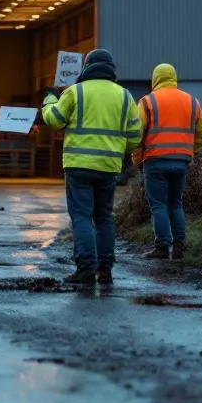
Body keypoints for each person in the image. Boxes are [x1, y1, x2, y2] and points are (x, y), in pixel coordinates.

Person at [40, 48, 143, 286]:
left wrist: (49, 99)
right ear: (111, 69)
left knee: (82, 218)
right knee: (104, 218)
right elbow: (135, 136)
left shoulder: (76, 92)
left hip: (79, 166)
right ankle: (105, 270)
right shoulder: (125, 96)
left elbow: (54, 119)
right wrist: (119, 150)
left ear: (86, 67)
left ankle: (85, 269)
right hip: (108, 167)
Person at [133, 63, 202, 261]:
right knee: (176, 204)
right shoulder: (192, 101)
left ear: (155, 78)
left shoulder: (148, 101)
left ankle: (162, 247)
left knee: (159, 205)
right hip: (181, 160)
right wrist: (190, 151)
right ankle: (179, 246)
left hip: (156, 160)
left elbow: (137, 134)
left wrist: (136, 155)